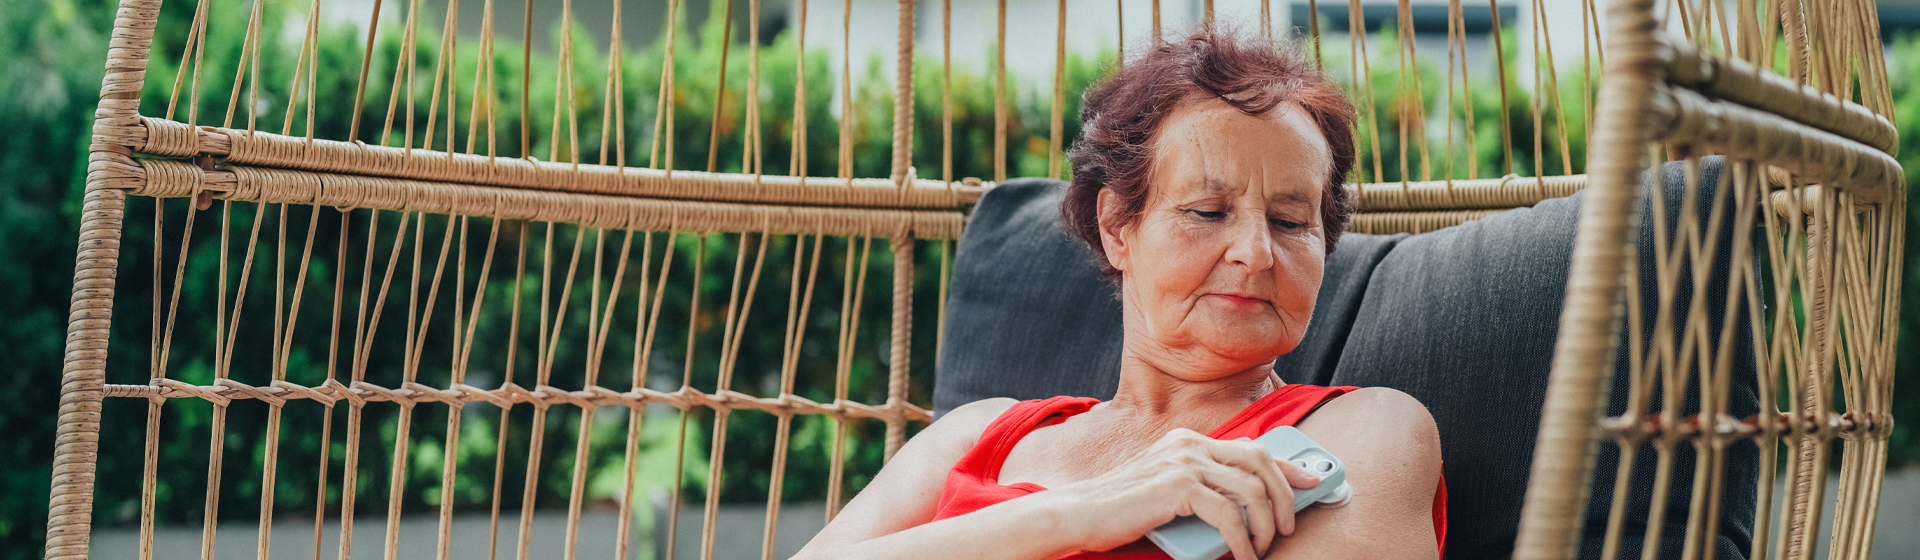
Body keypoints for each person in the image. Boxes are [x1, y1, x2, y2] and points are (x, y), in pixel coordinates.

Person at [795, 25, 1445, 560]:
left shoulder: (1365, 433)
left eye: (1289, 221)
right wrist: (1080, 514)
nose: (1255, 251)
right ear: (1116, 229)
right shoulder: (975, 435)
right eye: (1208, 211)